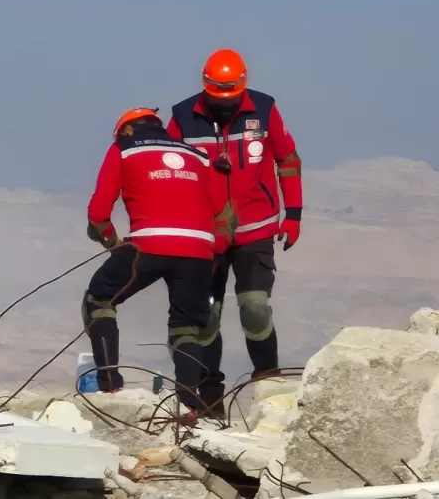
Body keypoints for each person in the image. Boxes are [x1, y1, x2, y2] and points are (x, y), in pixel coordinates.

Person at [166, 48, 303, 416]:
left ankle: (269, 388)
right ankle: (211, 404)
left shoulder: (263, 108)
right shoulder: (182, 117)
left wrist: (294, 213)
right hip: (205, 235)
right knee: (207, 316)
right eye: (217, 97)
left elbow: (287, 159)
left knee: (255, 308)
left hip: (255, 228)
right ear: (205, 88)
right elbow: (168, 175)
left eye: (231, 96)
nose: (224, 104)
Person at [84, 107, 223, 414]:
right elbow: (221, 207)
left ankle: (110, 386)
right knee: (187, 325)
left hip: (148, 244)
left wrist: (113, 243)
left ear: (127, 130)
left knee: (100, 299)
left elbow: (97, 215)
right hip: (198, 249)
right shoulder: (197, 155)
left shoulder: (123, 149)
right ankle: (189, 404)